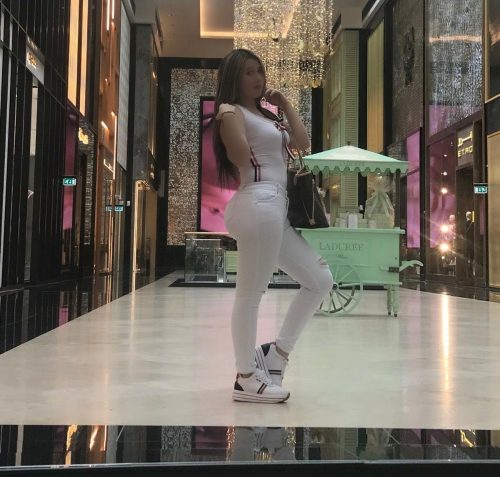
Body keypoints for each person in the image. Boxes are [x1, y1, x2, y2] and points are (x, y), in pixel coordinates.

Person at [213, 48, 334, 404]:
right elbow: (239, 155)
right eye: (248, 72)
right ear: (234, 78)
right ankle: (246, 377)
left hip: (275, 209)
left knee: (320, 280)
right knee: (250, 295)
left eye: (260, 71)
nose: (257, 78)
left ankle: (276, 356)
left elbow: (303, 143)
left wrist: (284, 104)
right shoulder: (231, 112)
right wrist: (227, 116)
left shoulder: (267, 116)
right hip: (257, 202)